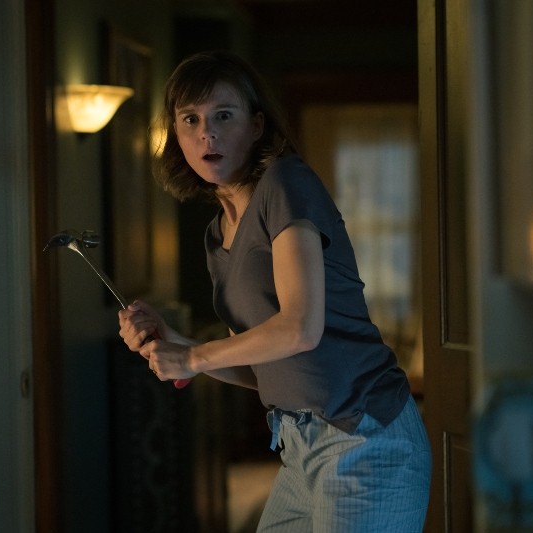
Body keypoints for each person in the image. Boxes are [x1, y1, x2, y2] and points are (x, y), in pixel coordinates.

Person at [118, 50, 431, 532]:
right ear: (175, 135)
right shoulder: (217, 234)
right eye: (191, 119)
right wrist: (176, 343)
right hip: (299, 445)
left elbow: (299, 329)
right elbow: (261, 367)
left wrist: (195, 358)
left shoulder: (286, 182)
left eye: (224, 115)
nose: (207, 133)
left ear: (257, 125)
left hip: (366, 438)